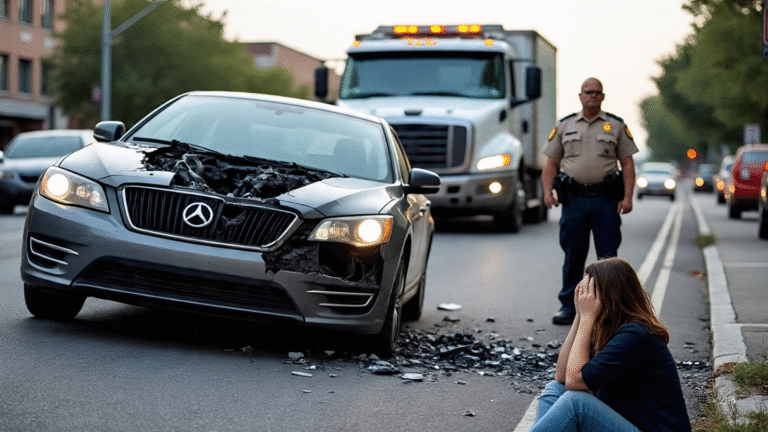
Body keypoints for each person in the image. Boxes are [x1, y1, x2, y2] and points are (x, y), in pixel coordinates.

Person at [529, 257, 692, 432]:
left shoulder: (634, 335)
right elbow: (561, 376)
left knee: (576, 404)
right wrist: (578, 316)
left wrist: (586, 318)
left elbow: (574, 381)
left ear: (608, 295)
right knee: (554, 390)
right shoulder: (608, 328)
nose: (584, 297)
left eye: (589, 292)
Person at [541, 77, 638, 325]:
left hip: (606, 201)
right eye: (588, 92)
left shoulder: (616, 126)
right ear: (580, 95)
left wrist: (627, 197)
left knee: (608, 258)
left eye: (597, 92)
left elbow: (627, 163)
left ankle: (611, 311)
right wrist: (547, 192)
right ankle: (568, 308)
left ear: (603, 97)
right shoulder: (565, 125)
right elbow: (551, 163)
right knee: (573, 256)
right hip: (574, 201)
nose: (592, 96)